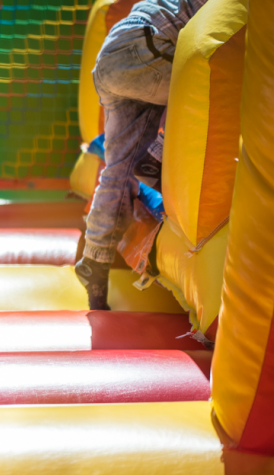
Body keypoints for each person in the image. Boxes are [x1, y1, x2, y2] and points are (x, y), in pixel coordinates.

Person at [75, 0, 208, 310]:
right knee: (206, 85)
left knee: (118, 171)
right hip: (142, 48)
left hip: (112, 58)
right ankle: (155, 158)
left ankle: (94, 259)